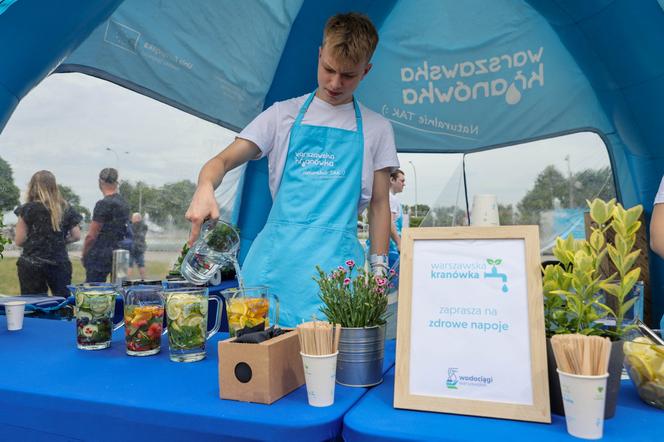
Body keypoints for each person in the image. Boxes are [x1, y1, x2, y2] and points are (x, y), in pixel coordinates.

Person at [186, 12, 399, 326]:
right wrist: (205, 187)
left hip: (338, 274)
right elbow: (220, 162)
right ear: (319, 55)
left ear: (366, 71)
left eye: (348, 76)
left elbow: (380, 205)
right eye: (328, 69)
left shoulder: (377, 128)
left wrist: (379, 269)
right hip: (273, 269)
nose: (335, 83)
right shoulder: (281, 116)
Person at [14, 170, 82, 296]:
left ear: (33, 187)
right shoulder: (65, 208)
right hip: (59, 261)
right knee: (63, 302)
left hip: (31, 263)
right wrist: (61, 241)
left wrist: (36, 241)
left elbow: (19, 240)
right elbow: (77, 235)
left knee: (34, 303)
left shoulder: (27, 209)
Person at [82, 168, 130, 282]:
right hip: (118, 250)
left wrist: (84, 253)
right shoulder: (124, 204)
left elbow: (91, 236)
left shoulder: (103, 204)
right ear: (116, 182)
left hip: (100, 252)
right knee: (118, 286)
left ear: (100, 182)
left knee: (94, 288)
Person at [388, 169, 405, 271]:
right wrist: (399, 243)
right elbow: (390, 223)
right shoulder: (391, 199)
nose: (404, 184)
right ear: (392, 180)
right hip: (391, 249)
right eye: (401, 181)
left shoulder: (389, 197)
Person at [128, 212, 147, 279]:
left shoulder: (131, 226)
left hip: (132, 247)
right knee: (141, 264)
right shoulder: (144, 226)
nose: (131, 219)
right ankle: (143, 279)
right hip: (140, 248)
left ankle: (127, 280)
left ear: (136, 218)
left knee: (129, 265)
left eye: (133, 218)